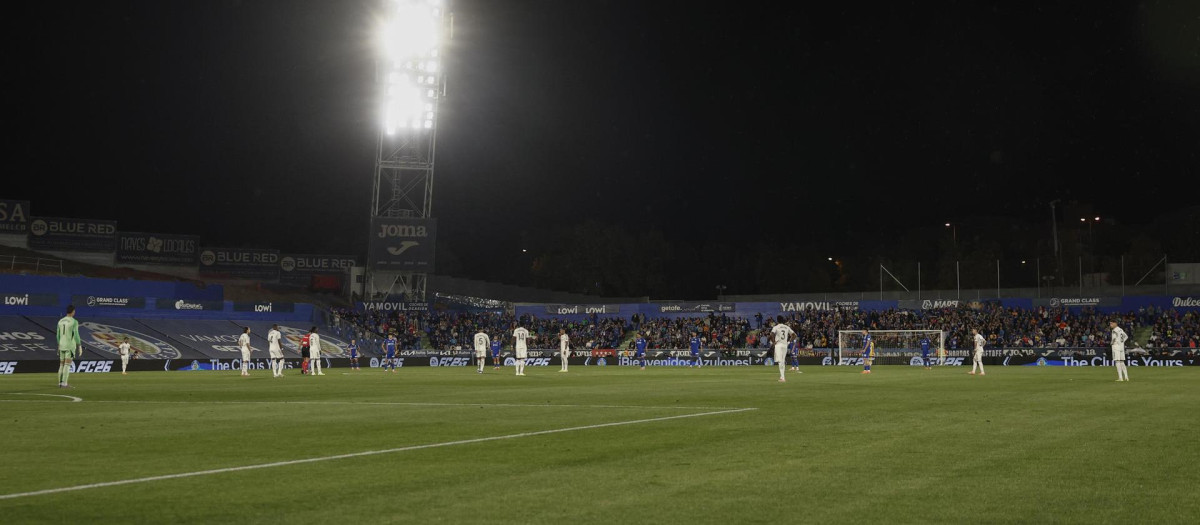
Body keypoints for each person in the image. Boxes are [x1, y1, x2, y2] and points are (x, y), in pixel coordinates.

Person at [56, 305, 81, 389]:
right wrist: (79, 345)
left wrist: (59, 345)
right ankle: (64, 384)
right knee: (67, 364)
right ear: (73, 311)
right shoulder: (74, 321)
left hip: (62, 345)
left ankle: (60, 383)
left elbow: (58, 335)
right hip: (69, 345)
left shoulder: (60, 321)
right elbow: (76, 335)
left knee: (61, 365)